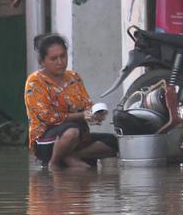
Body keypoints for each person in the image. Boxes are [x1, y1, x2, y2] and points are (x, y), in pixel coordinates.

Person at [24, 34, 117, 169]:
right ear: (42, 61)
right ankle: (54, 163)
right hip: (46, 140)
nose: (60, 62)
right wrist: (81, 115)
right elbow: (47, 117)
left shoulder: (74, 77)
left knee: (112, 142)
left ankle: (71, 156)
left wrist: (94, 114)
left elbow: (86, 105)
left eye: (63, 56)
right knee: (72, 131)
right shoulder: (35, 82)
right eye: (54, 58)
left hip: (78, 136)